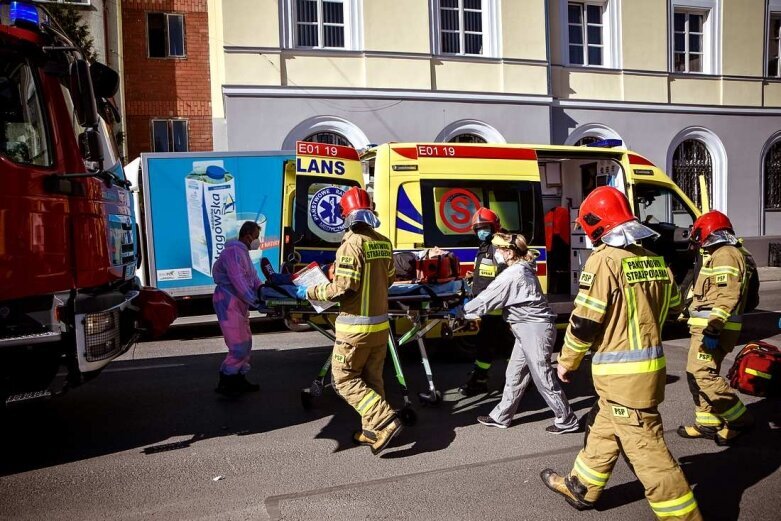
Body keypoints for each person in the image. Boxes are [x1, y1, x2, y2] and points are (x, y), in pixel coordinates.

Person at [540, 187, 701, 520]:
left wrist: (566, 362)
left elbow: (584, 322)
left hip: (622, 379)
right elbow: (672, 309)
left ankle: (684, 516)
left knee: (649, 454)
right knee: (603, 428)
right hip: (647, 372)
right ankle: (581, 487)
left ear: (596, 225)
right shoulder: (654, 260)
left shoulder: (604, 261)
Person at [295, 187, 401, 455]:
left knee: (343, 379)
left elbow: (343, 288)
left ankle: (385, 420)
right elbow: (389, 279)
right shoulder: (383, 242)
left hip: (355, 328)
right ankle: (370, 432)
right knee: (372, 378)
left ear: (346, 214)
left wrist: (311, 291)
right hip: (379, 327)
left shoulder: (351, 244)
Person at [463, 232, 579, 433]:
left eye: (500, 249)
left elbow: (488, 299)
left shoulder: (513, 274)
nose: (497, 253)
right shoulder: (521, 268)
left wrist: (461, 311)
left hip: (535, 329)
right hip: (525, 327)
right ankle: (501, 416)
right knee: (514, 373)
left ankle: (567, 418)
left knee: (542, 376)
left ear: (509, 252)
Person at [677, 210, 754, 445]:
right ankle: (707, 422)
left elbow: (727, 295)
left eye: (699, 236)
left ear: (709, 233)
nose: (697, 242)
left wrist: (713, 327)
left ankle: (739, 418)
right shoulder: (719, 254)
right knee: (695, 373)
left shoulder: (726, 255)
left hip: (714, 330)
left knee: (703, 374)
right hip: (707, 328)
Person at [459, 207, 515, 396]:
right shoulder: (485, 246)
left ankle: (494, 380)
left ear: (494, 227)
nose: (480, 231)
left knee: (494, 344)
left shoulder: (499, 247)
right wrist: (474, 278)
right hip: (489, 307)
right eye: (477, 229)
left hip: (498, 307)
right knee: (496, 344)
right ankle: (510, 380)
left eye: (484, 227)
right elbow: (486, 272)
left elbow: (506, 275)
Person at [212, 221, 264, 395]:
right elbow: (239, 281)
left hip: (237, 302)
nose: (258, 241)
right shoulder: (233, 253)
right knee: (238, 345)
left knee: (246, 342)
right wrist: (256, 301)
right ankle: (227, 381)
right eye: (256, 237)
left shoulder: (242, 253)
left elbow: (252, 277)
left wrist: (263, 291)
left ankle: (239, 378)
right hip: (228, 302)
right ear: (248, 236)